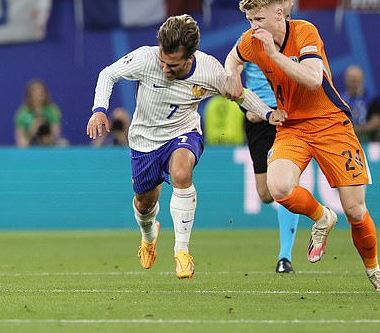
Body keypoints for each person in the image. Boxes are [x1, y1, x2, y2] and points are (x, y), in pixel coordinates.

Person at [223, 0, 380, 291]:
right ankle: (323, 217)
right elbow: (234, 58)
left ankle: (375, 271)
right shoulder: (252, 40)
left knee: (355, 210)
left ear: (279, 14)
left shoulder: (305, 32)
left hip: (331, 124)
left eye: (259, 20)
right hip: (292, 127)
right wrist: (233, 76)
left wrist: (274, 54)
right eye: (249, 21)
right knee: (277, 188)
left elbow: (314, 80)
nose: (253, 28)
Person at [86, 14, 286, 279]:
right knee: (144, 203)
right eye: (163, 62)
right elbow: (107, 74)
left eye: (173, 65)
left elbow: (240, 95)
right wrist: (99, 110)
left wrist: (269, 114)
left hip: (184, 132)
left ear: (190, 56)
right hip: (144, 140)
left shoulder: (209, 70)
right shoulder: (146, 59)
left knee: (181, 173)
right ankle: (149, 235)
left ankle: (182, 252)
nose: (165, 68)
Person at [239, 0, 300, 274]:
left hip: (288, 118)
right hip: (258, 117)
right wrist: (248, 106)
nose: (285, 5)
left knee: (285, 187)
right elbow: (235, 67)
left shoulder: (300, 35)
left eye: (287, 0)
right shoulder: (253, 37)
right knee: (266, 194)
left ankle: (284, 256)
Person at [14, 79, 66, 147]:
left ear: (45, 94)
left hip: (50, 146)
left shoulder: (52, 110)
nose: (37, 97)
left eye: (40, 94)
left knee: (63, 144)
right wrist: (32, 131)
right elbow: (20, 141)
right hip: (29, 146)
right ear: (29, 96)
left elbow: (56, 135)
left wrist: (47, 137)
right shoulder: (22, 113)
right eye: (34, 94)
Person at [341, 65, 380, 142]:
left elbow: (376, 122)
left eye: (356, 80)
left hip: (367, 142)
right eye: (351, 81)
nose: (354, 84)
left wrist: (354, 129)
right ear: (346, 80)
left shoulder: (371, 99)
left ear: (362, 80)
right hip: (346, 142)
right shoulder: (340, 100)